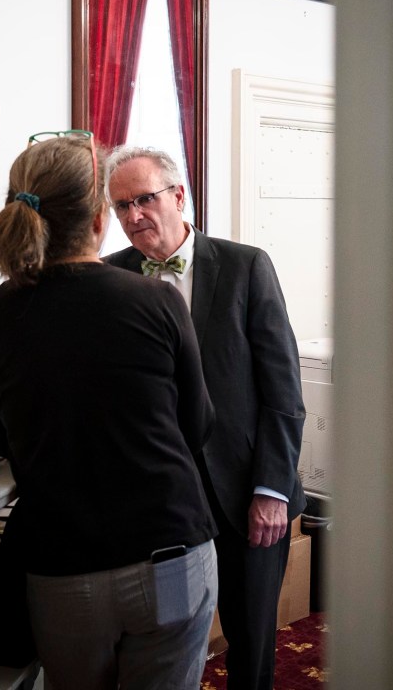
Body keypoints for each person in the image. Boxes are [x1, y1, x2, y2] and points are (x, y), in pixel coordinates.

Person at [0, 133, 219, 690]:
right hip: (169, 555)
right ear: (100, 218)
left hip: (64, 571)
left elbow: (0, 438)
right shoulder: (155, 301)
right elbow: (198, 426)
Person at [104, 146, 306, 690]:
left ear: (178, 195)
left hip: (245, 497)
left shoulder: (245, 267)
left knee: (250, 640)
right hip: (160, 505)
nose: (132, 216)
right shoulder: (110, 278)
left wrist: (271, 489)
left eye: (143, 200)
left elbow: (283, 391)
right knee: (170, 643)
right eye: (120, 206)